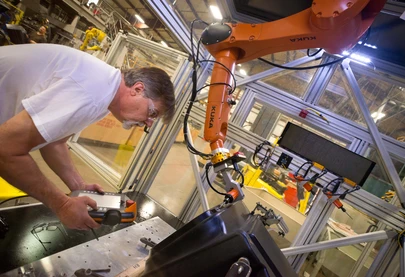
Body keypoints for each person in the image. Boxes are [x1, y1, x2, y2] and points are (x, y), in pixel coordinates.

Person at [0, 44, 175, 230]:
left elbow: (54, 143)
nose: (148, 122)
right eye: (152, 113)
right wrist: (63, 205)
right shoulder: (93, 92)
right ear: (138, 89)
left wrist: (79, 186)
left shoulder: (104, 94)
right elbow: (5, 149)